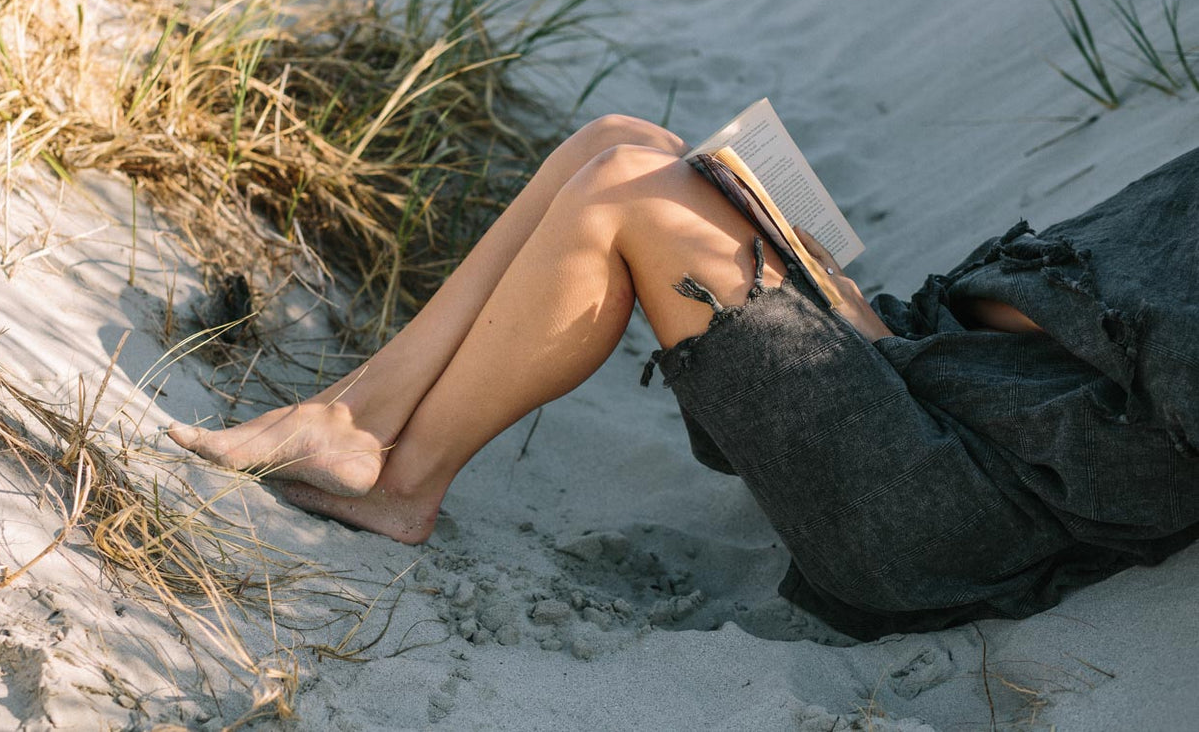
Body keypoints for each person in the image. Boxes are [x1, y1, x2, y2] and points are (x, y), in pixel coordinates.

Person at [170, 114, 1199, 639]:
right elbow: (1061, 304)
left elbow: (1131, 436)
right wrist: (867, 314)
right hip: (934, 396)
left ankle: (402, 482)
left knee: (633, 194)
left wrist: (884, 348)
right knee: (620, 140)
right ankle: (359, 411)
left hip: (956, 508)